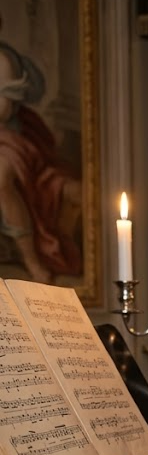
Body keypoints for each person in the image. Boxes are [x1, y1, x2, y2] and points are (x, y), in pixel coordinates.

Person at [0, 31, 83, 283]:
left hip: (7, 137)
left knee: (1, 179)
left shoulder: (3, 60)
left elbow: (3, 109)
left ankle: (32, 262)